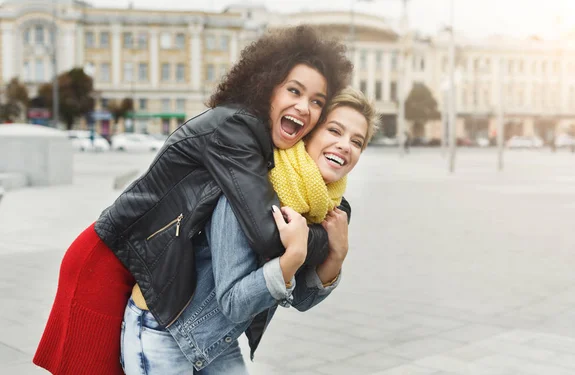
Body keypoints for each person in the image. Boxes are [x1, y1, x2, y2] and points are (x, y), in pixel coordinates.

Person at [33, 25, 353, 375]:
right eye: (294, 90)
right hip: (107, 261)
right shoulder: (234, 130)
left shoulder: (267, 147)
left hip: (145, 265)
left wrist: (333, 221)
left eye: (317, 102)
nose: (304, 107)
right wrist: (329, 234)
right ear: (267, 86)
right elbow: (266, 231)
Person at [121, 87, 381, 374]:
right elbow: (234, 302)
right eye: (334, 131)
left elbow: (301, 299)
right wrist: (293, 254)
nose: (345, 145)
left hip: (213, 337)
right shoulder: (255, 183)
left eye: (357, 142)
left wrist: (337, 254)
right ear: (309, 133)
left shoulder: (318, 203)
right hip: (164, 329)